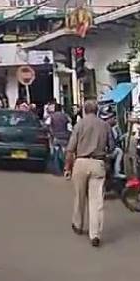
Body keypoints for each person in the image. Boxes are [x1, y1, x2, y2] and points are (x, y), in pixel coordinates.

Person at [65, 100, 111, 247]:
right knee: (96, 201)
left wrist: (67, 167)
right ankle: (95, 234)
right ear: (97, 111)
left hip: (81, 162)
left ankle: (78, 224)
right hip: (98, 163)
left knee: (79, 196)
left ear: (84, 110)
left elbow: (70, 149)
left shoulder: (79, 125)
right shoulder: (105, 125)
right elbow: (112, 146)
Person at [47, 103, 71, 175]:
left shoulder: (51, 116)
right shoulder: (65, 116)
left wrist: (51, 133)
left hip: (56, 137)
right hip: (65, 138)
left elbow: (47, 124)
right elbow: (69, 126)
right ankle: (65, 168)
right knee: (64, 154)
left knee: (55, 154)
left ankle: (57, 171)